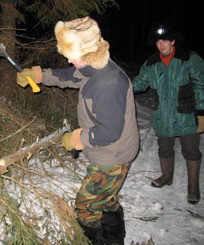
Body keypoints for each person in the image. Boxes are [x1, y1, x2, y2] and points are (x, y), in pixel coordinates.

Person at [16, 16, 139, 245]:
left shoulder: (108, 83)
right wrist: (39, 75)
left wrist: (76, 139)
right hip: (112, 151)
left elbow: (109, 132)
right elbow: (68, 76)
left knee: (86, 209)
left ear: (89, 51)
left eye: (72, 54)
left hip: (113, 154)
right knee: (107, 200)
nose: (70, 60)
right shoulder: (94, 67)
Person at [132, 21, 204, 205]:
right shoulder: (151, 63)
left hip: (186, 115)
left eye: (165, 41)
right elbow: (140, 83)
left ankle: (193, 188)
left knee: (191, 151)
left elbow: (201, 85)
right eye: (158, 42)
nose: (161, 45)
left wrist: (201, 112)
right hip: (162, 115)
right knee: (164, 148)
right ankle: (166, 177)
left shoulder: (189, 58)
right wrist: (122, 85)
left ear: (173, 41)